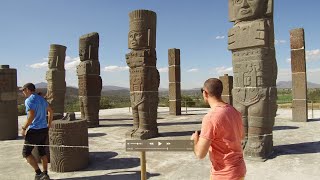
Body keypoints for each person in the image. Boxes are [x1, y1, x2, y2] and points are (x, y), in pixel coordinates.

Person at [191, 78, 246, 180]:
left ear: (205, 93)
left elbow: (200, 154)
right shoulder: (234, 111)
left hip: (224, 174)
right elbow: (242, 135)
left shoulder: (210, 118)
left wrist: (195, 141)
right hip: (239, 170)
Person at [20, 83, 53, 180]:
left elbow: (31, 115)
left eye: (23, 90)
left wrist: (24, 128)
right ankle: (45, 174)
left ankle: (38, 173)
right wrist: (49, 124)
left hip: (34, 130)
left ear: (28, 90)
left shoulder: (29, 100)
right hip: (43, 129)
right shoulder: (42, 99)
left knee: (26, 153)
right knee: (42, 152)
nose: (23, 92)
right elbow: (51, 111)